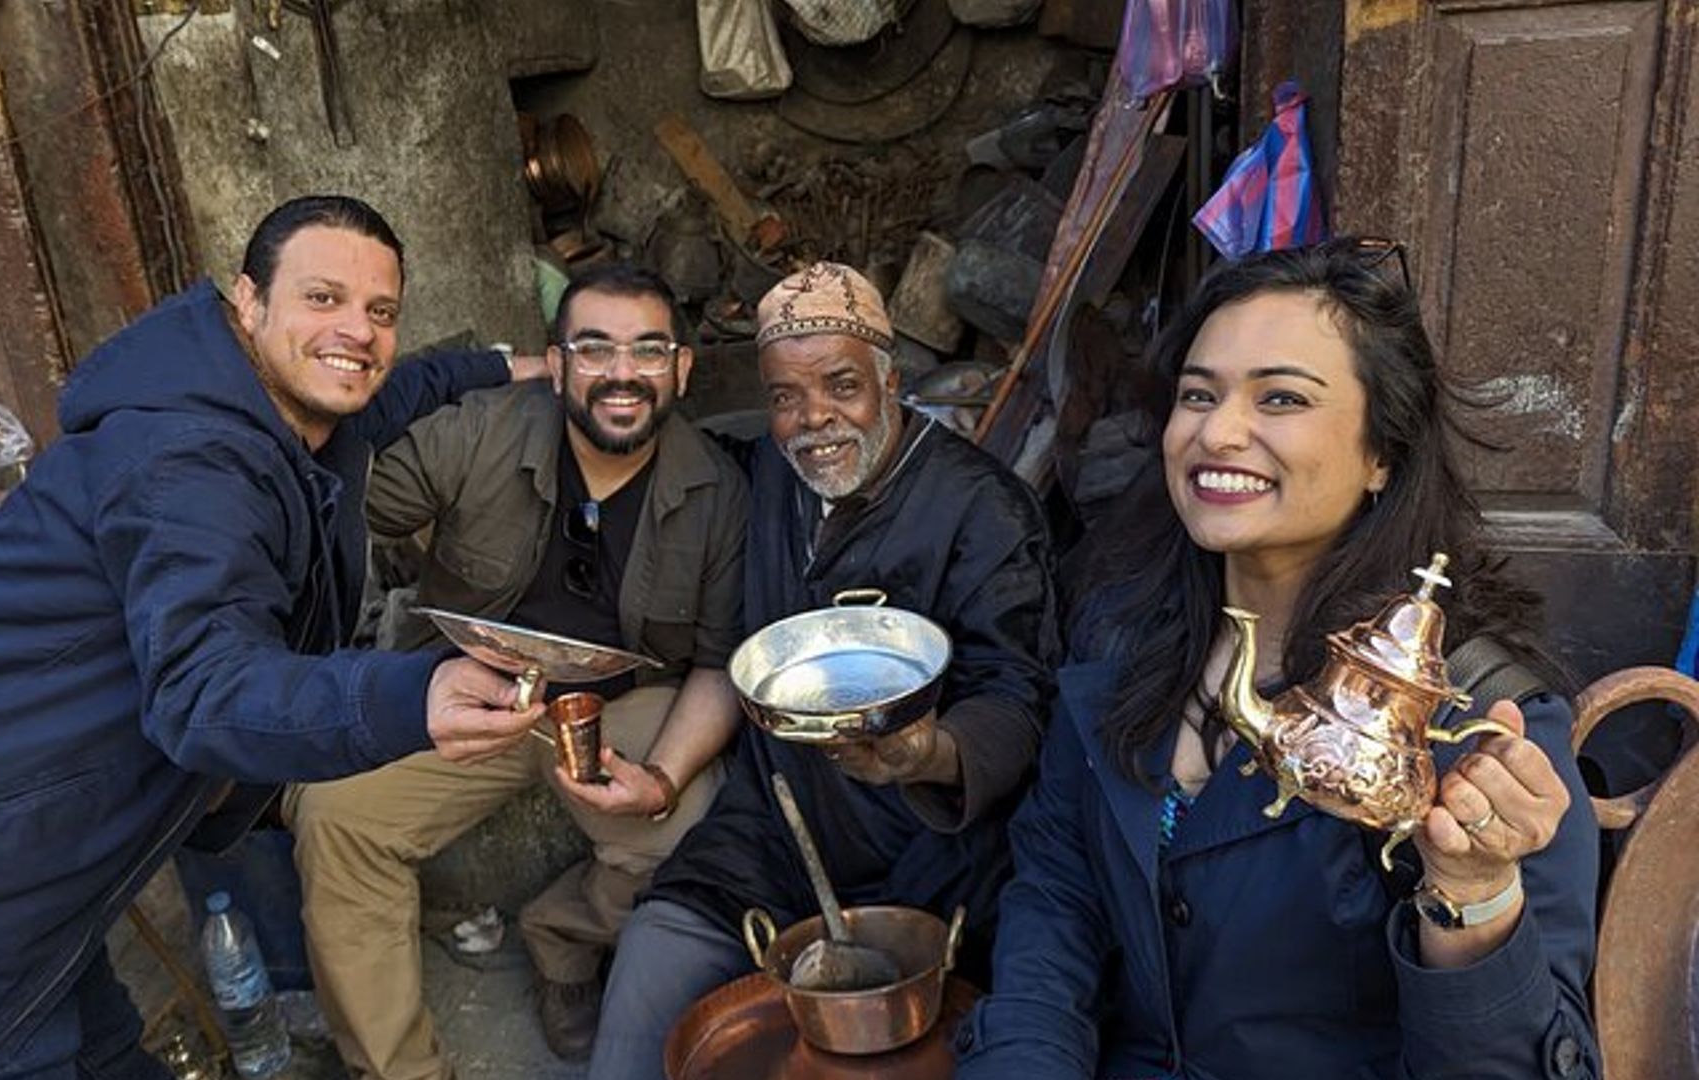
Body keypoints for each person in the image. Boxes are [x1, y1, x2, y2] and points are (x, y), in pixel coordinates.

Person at [0, 195, 551, 1078]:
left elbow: (386, 391)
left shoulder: (275, 405)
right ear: (247, 302)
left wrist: (510, 366)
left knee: (113, 1057)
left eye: (380, 311)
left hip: (16, 867)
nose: (358, 332)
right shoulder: (191, 463)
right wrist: (416, 694)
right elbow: (207, 690)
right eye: (323, 298)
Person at [956, 239, 1601, 1078]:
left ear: (1382, 454)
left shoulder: (1471, 727)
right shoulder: (1120, 635)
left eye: (1283, 398)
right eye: (1198, 394)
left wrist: (1476, 898)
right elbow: (1057, 899)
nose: (1217, 432)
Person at [586, 262, 1065, 1079]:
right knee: (655, 953)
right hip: (776, 819)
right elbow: (647, 449)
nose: (814, 418)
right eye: (785, 397)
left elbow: (1018, 697)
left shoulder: (983, 510)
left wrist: (930, 752)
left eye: (842, 386)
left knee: (907, 1042)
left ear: (890, 380)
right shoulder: (770, 476)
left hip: (929, 848)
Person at [284, 263, 749, 1077]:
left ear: (681, 368)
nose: (622, 373)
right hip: (470, 688)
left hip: (623, 702)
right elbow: (338, 495)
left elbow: (717, 664)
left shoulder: (719, 492)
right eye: (594, 349)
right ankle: (401, 1072)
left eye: (648, 351)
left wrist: (663, 780)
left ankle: (562, 938)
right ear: (557, 366)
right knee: (336, 818)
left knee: (704, 837)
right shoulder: (481, 430)